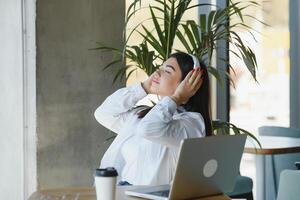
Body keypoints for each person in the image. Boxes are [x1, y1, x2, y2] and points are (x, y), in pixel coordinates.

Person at [94, 52, 212, 186]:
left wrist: (178, 97)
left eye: (167, 71)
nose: (157, 72)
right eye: (160, 67)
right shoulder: (143, 114)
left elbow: (148, 129)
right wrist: (143, 88)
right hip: (123, 192)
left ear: (188, 84)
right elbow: (103, 113)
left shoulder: (191, 123)